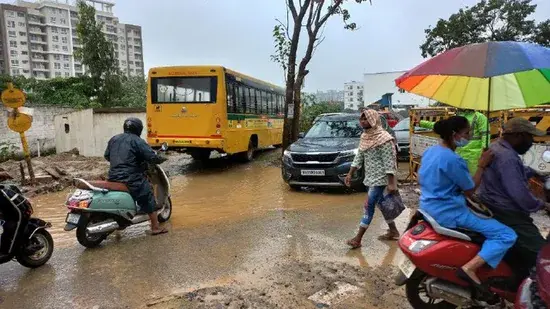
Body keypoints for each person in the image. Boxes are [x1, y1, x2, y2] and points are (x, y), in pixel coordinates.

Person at [419, 116, 516, 296]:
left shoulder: (430, 152)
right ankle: (470, 268)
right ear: (454, 134)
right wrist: (481, 165)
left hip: (428, 206)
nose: (470, 136)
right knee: (506, 234)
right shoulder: (453, 160)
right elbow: (470, 189)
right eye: (467, 133)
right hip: (450, 212)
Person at [477, 117, 550, 275]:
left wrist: (536, 173)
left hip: (490, 205)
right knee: (543, 256)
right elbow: (520, 195)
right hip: (507, 213)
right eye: (530, 138)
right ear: (519, 136)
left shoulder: (496, 147)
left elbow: (515, 172)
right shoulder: (507, 157)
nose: (531, 142)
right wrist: (542, 205)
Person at [345, 109, 400, 249]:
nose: (362, 121)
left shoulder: (384, 138)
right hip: (370, 177)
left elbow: (389, 162)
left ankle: (358, 239)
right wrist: (350, 173)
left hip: (381, 179)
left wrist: (391, 183)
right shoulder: (365, 136)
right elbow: (359, 156)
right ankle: (393, 231)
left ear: (373, 120)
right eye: (361, 119)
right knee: (382, 204)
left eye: (366, 119)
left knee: (368, 206)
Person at [104, 117, 168, 235]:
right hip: (131, 178)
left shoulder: (114, 139)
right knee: (148, 195)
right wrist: (160, 158)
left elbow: (107, 156)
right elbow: (151, 156)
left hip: (113, 177)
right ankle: (155, 227)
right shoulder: (137, 141)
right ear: (139, 128)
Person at [415, 108, 489, 175]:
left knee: (471, 181)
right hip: (459, 154)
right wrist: (421, 123)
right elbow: (442, 126)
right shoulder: (458, 117)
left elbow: (486, 135)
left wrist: (484, 151)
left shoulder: (479, 117)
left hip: (473, 157)